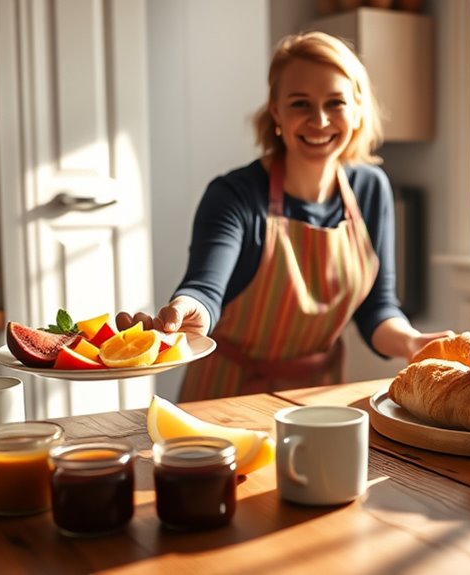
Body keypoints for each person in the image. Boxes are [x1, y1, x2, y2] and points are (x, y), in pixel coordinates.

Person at [118, 31, 452, 401]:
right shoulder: (234, 194)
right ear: (275, 110)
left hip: (317, 397)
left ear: (357, 109)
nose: (320, 120)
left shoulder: (371, 189)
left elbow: (378, 309)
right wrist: (186, 309)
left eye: (335, 102)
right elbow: (205, 289)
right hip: (224, 396)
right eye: (300, 104)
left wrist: (410, 341)